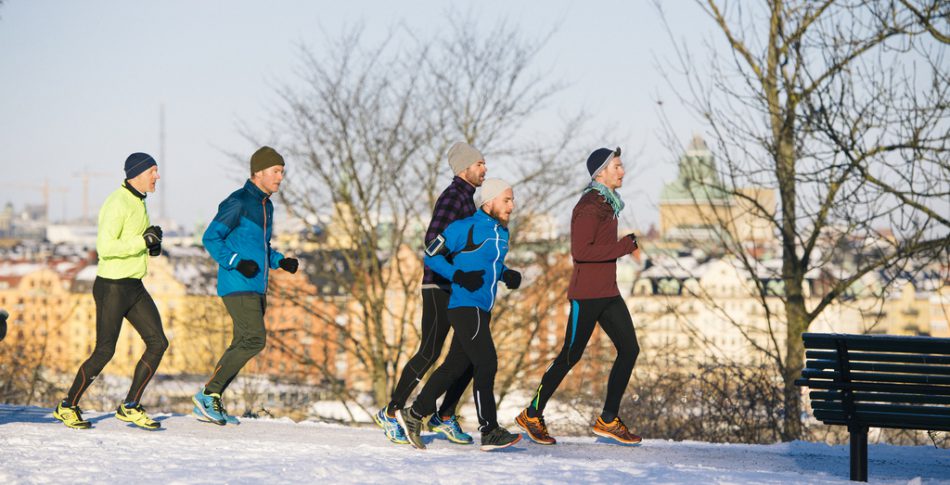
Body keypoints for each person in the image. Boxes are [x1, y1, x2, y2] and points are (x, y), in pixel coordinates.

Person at [515, 147, 642, 445]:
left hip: (608, 292)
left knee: (629, 349)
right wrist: (624, 247)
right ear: (601, 173)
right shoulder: (589, 205)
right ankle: (532, 413)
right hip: (586, 296)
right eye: (617, 167)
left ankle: (608, 419)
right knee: (569, 356)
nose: (622, 171)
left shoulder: (607, 204)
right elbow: (581, 252)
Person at [397, 178, 524, 452]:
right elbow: (431, 254)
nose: (512, 206)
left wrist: (506, 274)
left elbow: (490, 265)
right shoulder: (465, 228)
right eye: (507, 200)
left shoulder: (502, 233)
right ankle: (489, 430)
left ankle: (414, 414)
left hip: (483, 308)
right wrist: (457, 275)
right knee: (486, 363)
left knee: (454, 368)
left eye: (512, 200)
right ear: (488, 201)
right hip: (465, 306)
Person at [374, 142, 486, 445]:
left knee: (471, 354)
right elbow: (433, 241)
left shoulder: (468, 201)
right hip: (439, 285)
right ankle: (391, 411)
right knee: (430, 351)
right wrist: (457, 267)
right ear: (465, 168)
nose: (484, 170)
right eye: (479, 165)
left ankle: (444, 416)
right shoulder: (453, 198)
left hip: (458, 288)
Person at [54, 153, 167, 430]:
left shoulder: (139, 202)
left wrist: (151, 245)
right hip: (112, 287)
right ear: (138, 173)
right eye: (153, 170)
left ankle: (130, 406)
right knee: (105, 350)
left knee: (158, 342)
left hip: (133, 286)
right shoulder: (117, 202)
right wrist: (142, 241)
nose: (157, 176)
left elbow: (134, 243)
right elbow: (105, 248)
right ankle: (67, 406)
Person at [192, 146, 299, 426]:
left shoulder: (267, 206)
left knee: (242, 341)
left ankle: (210, 399)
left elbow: (261, 246)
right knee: (254, 339)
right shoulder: (238, 202)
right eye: (276, 171)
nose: (280, 177)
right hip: (237, 283)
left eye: (282, 172)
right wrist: (236, 261)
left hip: (257, 285)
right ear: (258, 172)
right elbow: (211, 238)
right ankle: (208, 394)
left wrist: (279, 261)